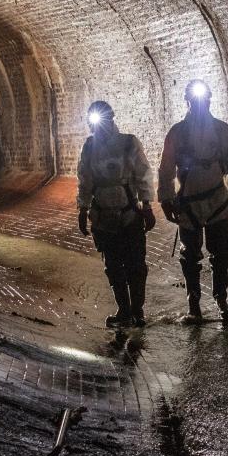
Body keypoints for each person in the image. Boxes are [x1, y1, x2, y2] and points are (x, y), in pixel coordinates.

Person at [158, 79, 228, 323]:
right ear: (187, 102)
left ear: (209, 100)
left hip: (216, 202)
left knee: (220, 254)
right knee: (190, 256)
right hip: (188, 204)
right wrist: (166, 199)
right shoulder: (177, 134)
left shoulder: (222, 132)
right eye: (195, 100)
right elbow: (166, 169)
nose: (199, 105)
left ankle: (221, 299)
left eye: (203, 99)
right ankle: (194, 303)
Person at [76, 100, 155, 329]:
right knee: (112, 265)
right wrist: (82, 208)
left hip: (129, 213)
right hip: (103, 216)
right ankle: (123, 309)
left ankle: (137, 310)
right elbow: (85, 180)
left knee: (135, 265)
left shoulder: (128, 143)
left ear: (111, 118)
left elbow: (143, 174)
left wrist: (147, 205)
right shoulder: (90, 147)